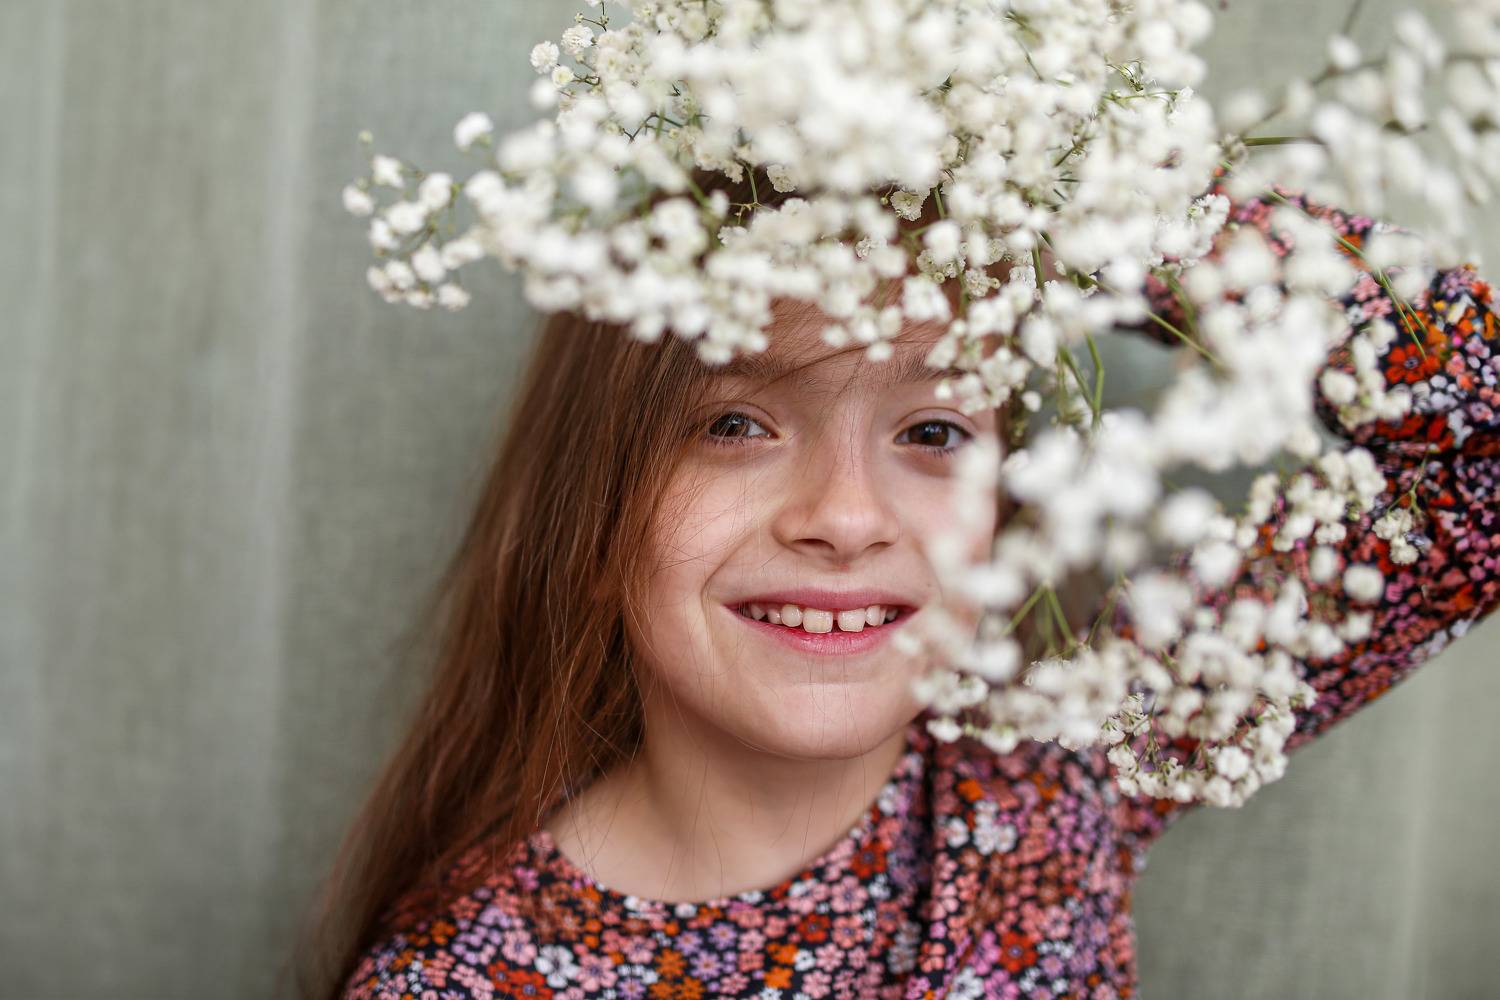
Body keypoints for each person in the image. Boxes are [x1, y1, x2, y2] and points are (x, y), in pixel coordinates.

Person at [300, 167, 1499, 999]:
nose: (844, 517)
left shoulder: (1061, 772)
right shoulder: (460, 976)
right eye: (734, 424)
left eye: (932, 431)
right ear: (599, 502)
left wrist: (1089, 204)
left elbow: (1481, 448)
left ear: (1010, 510)